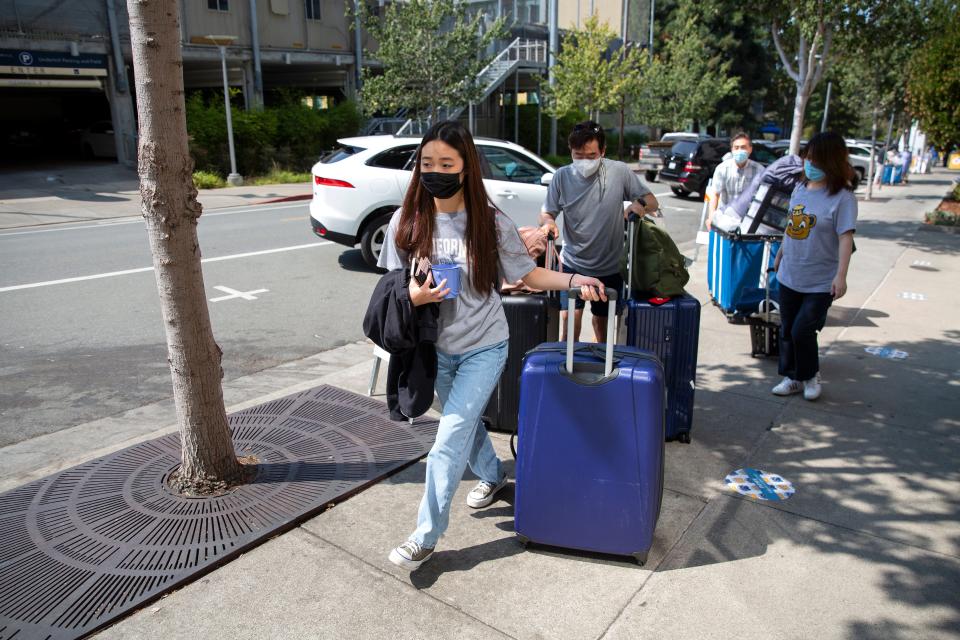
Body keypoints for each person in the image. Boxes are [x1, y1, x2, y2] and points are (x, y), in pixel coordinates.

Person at [377, 120, 606, 570]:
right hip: (433, 349)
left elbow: (530, 274)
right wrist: (415, 295)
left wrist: (576, 280)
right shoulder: (406, 220)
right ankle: (495, 476)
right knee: (464, 424)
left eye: (446, 163)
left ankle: (425, 535)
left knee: (448, 438)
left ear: (465, 168)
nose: (435, 171)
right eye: (427, 163)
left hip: (485, 345)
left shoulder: (489, 219)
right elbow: (390, 285)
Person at [538, 121, 659, 342]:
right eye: (578, 155)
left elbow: (652, 201)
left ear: (603, 151)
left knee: (602, 330)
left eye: (591, 156)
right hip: (572, 263)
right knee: (568, 327)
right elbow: (547, 212)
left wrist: (638, 205)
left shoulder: (619, 172)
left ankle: (601, 368)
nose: (584, 161)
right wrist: (548, 223)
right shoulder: (561, 177)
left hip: (608, 266)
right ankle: (568, 373)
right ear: (571, 152)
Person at [772, 131, 857, 401]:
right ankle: (792, 376)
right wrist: (781, 252)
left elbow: (846, 238)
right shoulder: (799, 189)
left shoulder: (843, 198)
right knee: (787, 329)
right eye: (808, 158)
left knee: (802, 330)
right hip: (790, 272)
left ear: (831, 163)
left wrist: (841, 276)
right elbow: (791, 225)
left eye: (816, 161)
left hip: (820, 279)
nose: (810, 165)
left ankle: (810, 374)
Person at [705, 132, 764, 230]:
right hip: (725, 219)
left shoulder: (759, 170)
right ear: (732, 150)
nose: (739, 150)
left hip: (748, 220)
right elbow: (715, 194)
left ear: (750, 149)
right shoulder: (722, 168)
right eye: (736, 148)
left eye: (743, 147)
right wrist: (711, 217)